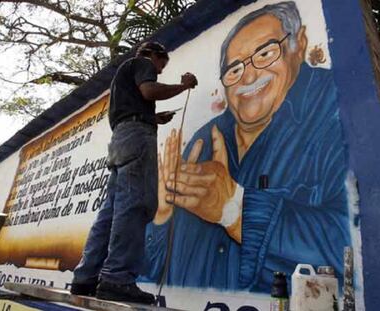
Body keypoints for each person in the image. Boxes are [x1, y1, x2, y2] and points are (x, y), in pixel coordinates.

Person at [144, 1, 351, 293]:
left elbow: (352, 249)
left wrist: (235, 210)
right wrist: (162, 218)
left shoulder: (337, 108)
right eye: (234, 70)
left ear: (299, 44)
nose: (249, 77)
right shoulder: (204, 139)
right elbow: (151, 276)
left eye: (265, 54)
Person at [70, 42, 198, 304]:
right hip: (137, 138)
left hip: (121, 140)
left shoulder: (123, 76)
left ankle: (85, 278)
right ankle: (117, 279)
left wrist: (155, 118)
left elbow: (139, 102)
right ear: (154, 55)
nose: (159, 71)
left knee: (111, 211)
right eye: (161, 65)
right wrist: (183, 85)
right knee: (135, 205)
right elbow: (149, 90)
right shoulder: (141, 63)